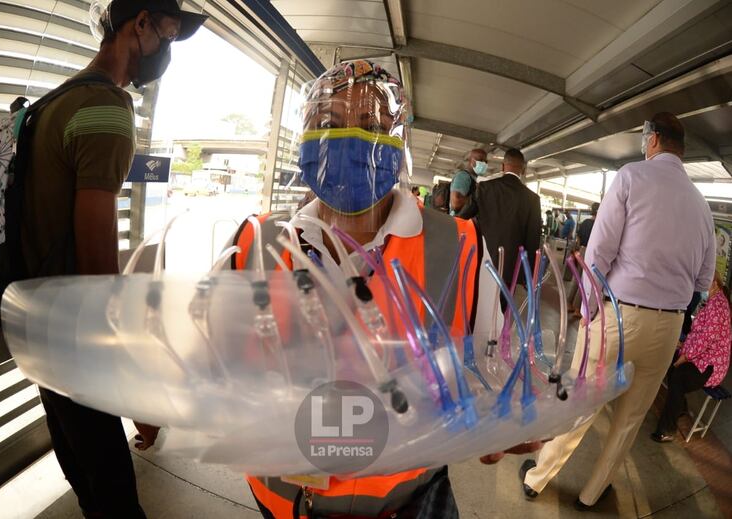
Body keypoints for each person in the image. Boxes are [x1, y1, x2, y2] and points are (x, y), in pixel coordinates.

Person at [230, 59, 542, 519]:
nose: (348, 139)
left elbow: (492, 370)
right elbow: (216, 362)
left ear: (399, 145)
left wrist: (505, 417)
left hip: (405, 503)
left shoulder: (459, 247)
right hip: (281, 502)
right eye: (328, 124)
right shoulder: (255, 241)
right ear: (305, 140)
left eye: (372, 125)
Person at [23, 1, 206, 517]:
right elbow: (97, 265)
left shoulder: (57, 101)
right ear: (139, 24)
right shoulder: (106, 108)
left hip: (39, 323)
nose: (168, 50)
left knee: (83, 473)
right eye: (168, 34)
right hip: (76, 338)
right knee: (114, 493)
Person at [520, 112, 716, 510]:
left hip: (619, 316)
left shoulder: (631, 178)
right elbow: (703, 280)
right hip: (668, 326)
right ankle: (592, 494)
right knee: (630, 419)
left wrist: (590, 309)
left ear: (654, 139)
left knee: (582, 403)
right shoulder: (702, 206)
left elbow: (599, 253)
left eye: (645, 137)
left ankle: (537, 479)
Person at [652, 271, 731, 442]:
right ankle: (679, 406)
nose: (700, 287)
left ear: (714, 283)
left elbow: (705, 339)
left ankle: (667, 429)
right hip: (701, 357)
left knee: (678, 376)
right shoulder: (712, 301)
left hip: (711, 366)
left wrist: (684, 357)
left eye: (704, 283)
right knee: (672, 365)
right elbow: (699, 334)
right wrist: (684, 346)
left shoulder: (718, 305)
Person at [475, 148, 542, 300]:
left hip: (482, 260)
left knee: (478, 305)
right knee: (503, 308)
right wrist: (529, 275)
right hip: (510, 269)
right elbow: (533, 240)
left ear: (503, 166)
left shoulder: (484, 188)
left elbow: (469, 220)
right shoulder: (532, 199)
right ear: (523, 170)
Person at [567, 203, 600, 317]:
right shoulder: (598, 224)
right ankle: (578, 309)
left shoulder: (585, 222)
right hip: (590, 252)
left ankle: (569, 303)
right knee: (585, 280)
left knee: (576, 278)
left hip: (581, 251)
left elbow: (578, 237)